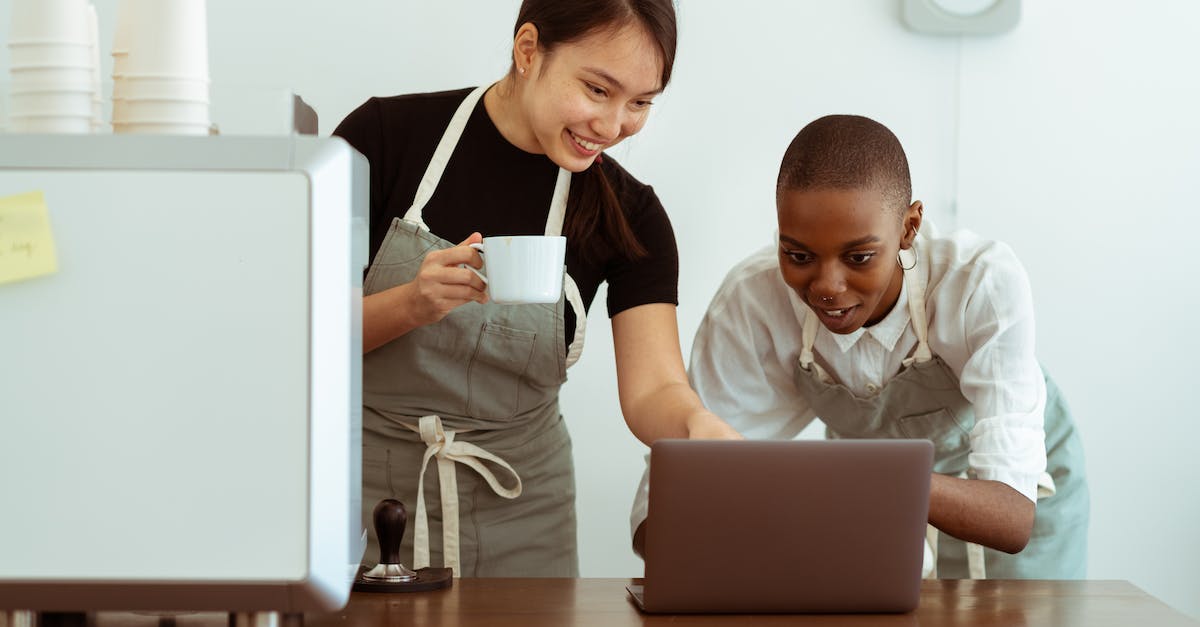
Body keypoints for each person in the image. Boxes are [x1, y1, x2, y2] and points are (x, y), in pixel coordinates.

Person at [333, 0, 740, 578]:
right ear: (528, 50)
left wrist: (696, 425)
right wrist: (410, 303)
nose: (614, 125)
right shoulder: (383, 139)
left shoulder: (632, 215)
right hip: (359, 499)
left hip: (525, 515)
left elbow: (654, 389)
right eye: (598, 90)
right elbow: (298, 333)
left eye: (641, 103)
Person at [630, 114, 1089, 578]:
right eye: (799, 255)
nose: (827, 286)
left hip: (1017, 496)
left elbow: (1012, 518)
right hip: (880, 512)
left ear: (909, 227)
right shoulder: (753, 303)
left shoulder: (979, 283)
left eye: (859, 257)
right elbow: (668, 506)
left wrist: (856, 480)